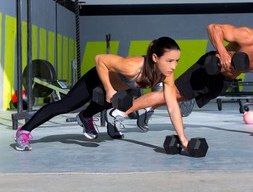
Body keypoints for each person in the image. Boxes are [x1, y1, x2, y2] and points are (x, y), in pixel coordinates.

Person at [111, 24, 253, 135]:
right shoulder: (249, 37)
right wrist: (223, 53)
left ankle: (147, 109)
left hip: (224, 81)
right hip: (211, 68)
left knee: (179, 97)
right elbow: (213, 28)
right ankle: (120, 113)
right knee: (171, 94)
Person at [14, 37, 189, 151]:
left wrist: (183, 138)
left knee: (122, 102)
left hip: (116, 88)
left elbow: (172, 106)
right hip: (97, 78)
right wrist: (108, 88)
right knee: (66, 105)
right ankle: (24, 131)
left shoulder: (167, 75)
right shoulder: (132, 65)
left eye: (176, 61)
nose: (173, 66)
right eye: (169, 60)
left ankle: (85, 116)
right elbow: (100, 59)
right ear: (155, 58)